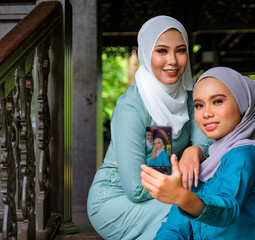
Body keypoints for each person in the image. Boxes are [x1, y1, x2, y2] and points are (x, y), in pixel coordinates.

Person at [87, 15, 213, 240]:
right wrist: (181, 184)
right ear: (146, 53)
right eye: (162, 51)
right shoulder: (133, 107)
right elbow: (136, 189)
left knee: (199, 209)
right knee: (190, 210)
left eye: (181, 50)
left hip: (163, 191)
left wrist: (196, 150)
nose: (172, 61)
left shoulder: (188, 95)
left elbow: (205, 135)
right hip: (116, 199)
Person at [141, 66, 255, 239]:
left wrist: (181, 196)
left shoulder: (244, 154)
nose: (207, 113)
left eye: (217, 101)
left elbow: (227, 209)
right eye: (199, 105)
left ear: (242, 103)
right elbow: (175, 228)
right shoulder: (201, 164)